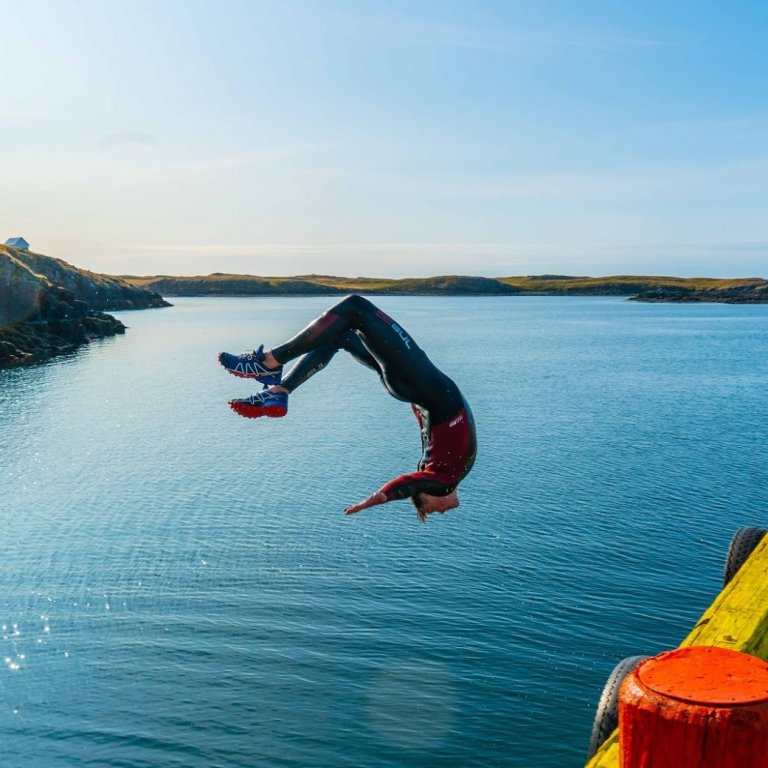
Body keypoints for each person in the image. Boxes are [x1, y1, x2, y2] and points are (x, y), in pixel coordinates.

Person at [218, 295, 476, 522]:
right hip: (413, 385)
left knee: (355, 307)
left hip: (416, 380)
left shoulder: (443, 481)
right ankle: (280, 391)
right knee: (341, 334)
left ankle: (269, 361)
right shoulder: (448, 471)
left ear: (427, 492)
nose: (441, 512)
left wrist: (376, 499)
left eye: (429, 509)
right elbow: (430, 427)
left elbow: (407, 485)